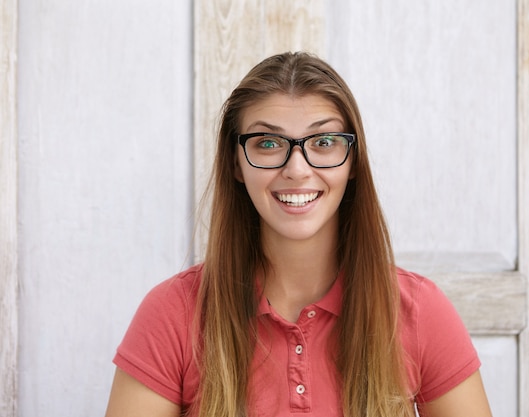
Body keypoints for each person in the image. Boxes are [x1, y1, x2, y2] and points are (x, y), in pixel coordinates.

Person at [104, 51, 492, 417]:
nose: (297, 168)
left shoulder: (419, 312)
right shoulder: (173, 314)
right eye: (268, 143)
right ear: (236, 163)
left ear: (352, 161)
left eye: (323, 143)